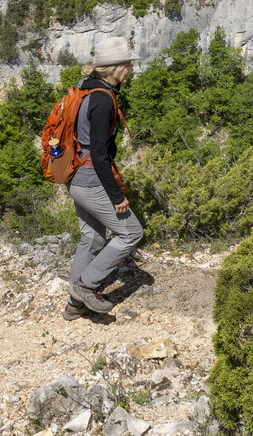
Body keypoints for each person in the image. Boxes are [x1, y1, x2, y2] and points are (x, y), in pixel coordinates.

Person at [65, 36, 143, 319]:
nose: (131, 71)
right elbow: (99, 153)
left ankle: (74, 307)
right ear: (117, 68)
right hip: (91, 180)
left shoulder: (86, 89)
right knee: (132, 233)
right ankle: (86, 287)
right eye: (128, 66)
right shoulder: (102, 100)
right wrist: (116, 195)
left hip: (76, 178)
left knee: (93, 237)